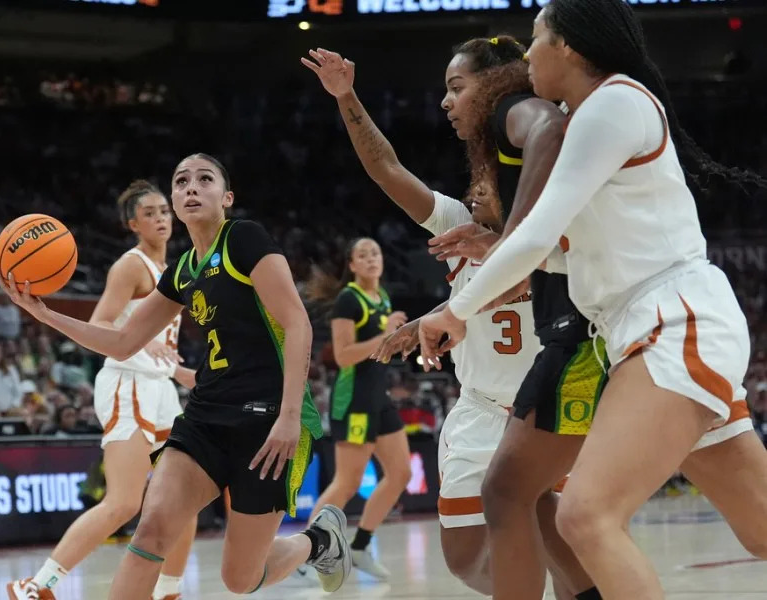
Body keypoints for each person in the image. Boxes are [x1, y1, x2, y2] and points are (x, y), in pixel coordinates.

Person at [416, 1, 767, 597]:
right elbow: (560, 245)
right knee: (761, 528)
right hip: (643, 329)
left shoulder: (613, 103)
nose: (527, 55)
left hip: (673, 323)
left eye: (537, 38)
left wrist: (457, 307)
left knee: (583, 515)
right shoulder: (586, 115)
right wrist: (496, 242)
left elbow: (538, 230)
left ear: (571, 47)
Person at [303, 44, 590, 598]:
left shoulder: (555, 228)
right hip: (481, 411)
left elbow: (529, 270)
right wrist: (347, 98)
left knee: (566, 550)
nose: (474, 187)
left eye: (486, 179)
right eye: (472, 182)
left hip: (551, 409)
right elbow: (386, 169)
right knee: (463, 560)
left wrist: (438, 316)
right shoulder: (457, 231)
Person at [0, 154, 351, 600]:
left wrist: (286, 418)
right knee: (150, 531)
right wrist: (44, 314)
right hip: (205, 415)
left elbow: (298, 322)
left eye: (204, 179)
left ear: (226, 197)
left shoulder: (244, 238)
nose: (190, 187)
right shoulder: (183, 269)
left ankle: (320, 541)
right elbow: (124, 340)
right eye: (181, 181)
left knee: (240, 579)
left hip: (265, 418)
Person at [8, 180, 198, 600]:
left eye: (164, 211)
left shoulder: (173, 268)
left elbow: (161, 343)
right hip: (126, 384)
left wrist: (180, 373)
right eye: (149, 213)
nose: (161, 218)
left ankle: (168, 592)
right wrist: (140, 339)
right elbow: (101, 324)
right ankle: (36, 586)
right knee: (124, 502)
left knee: (186, 498)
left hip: (160, 388)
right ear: (133, 224)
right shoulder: (130, 266)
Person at [306, 237, 411, 579]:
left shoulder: (382, 298)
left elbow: (381, 349)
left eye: (376, 253)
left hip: (378, 397)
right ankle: (306, 554)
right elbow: (344, 354)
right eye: (362, 255)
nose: (371, 259)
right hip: (353, 400)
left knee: (401, 474)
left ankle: (361, 546)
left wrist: (399, 338)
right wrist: (385, 333)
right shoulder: (348, 300)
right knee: (347, 483)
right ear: (351, 265)